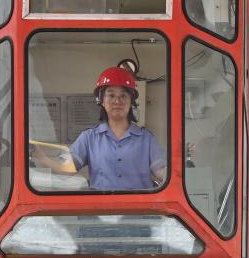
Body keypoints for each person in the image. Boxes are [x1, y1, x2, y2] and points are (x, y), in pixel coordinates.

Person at [31, 66, 166, 190]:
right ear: (101, 100)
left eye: (123, 95)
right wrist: (41, 156)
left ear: (131, 101)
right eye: (111, 95)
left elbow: (161, 171)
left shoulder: (146, 139)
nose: (117, 101)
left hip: (140, 208)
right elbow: (66, 169)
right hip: (101, 208)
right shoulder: (89, 138)